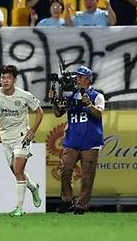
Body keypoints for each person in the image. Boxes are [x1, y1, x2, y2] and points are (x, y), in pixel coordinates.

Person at [0, 65, 44, 217]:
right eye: (3, 77)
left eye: (8, 78)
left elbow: (39, 112)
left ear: (14, 80)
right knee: (17, 172)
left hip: (22, 136)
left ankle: (19, 208)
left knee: (18, 170)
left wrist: (33, 131)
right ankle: (33, 187)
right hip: (6, 139)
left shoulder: (24, 96)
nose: (5, 81)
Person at [51, 66, 105, 214]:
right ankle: (67, 200)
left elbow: (99, 114)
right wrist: (54, 101)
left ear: (88, 79)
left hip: (91, 142)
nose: (77, 79)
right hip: (72, 141)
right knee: (65, 170)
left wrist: (88, 104)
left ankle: (81, 205)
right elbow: (58, 113)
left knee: (87, 177)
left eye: (81, 77)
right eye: (77, 77)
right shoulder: (71, 96)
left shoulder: (97, 96)